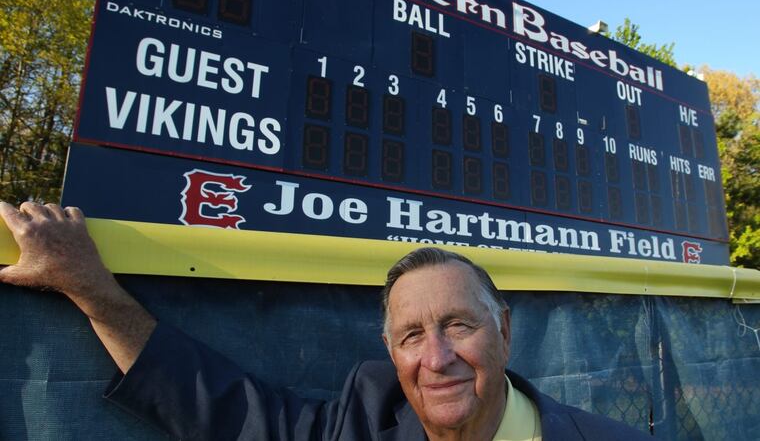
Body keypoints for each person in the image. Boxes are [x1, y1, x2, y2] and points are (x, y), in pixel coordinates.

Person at [0, 201, 653, 440]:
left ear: (504, 329)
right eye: (411, 335)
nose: (436, 358)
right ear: (390, 353)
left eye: (458, 325)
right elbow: (220, 409)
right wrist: (90, 288)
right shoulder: (361, 419)